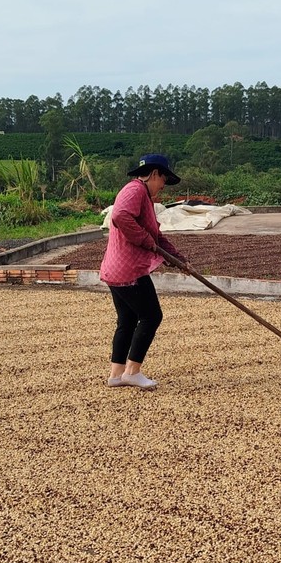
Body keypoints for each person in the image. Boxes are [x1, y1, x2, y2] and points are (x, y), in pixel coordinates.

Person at [99, 154, 192, 391]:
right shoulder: (136, 190)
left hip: (116, 270)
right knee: (152, 316)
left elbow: (157, 238)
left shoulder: (143, 198)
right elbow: (120, 217)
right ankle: (133, 371)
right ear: (154, 174)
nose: (163, 186)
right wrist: (143, 240)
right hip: (129, 270)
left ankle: (117, 375)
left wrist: (180, 261)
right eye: (164, 179)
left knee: (128, 320)